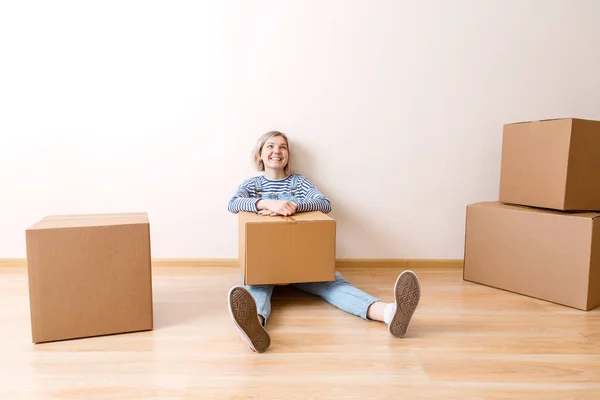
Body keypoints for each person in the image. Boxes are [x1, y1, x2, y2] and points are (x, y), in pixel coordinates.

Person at [226, 130, 421, 353]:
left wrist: (295, 206)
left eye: (282, 147)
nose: (277, 151)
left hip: (301, 260)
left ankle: (388, 312)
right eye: (270, 146)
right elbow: (233, 204)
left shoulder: (298, 183)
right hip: (265, 262)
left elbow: (324, 203)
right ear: (260, 154)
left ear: (287, 155)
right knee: (255, 286)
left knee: (333, 283)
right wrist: (266, 204)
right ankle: (254, 327)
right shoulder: (252, 185)